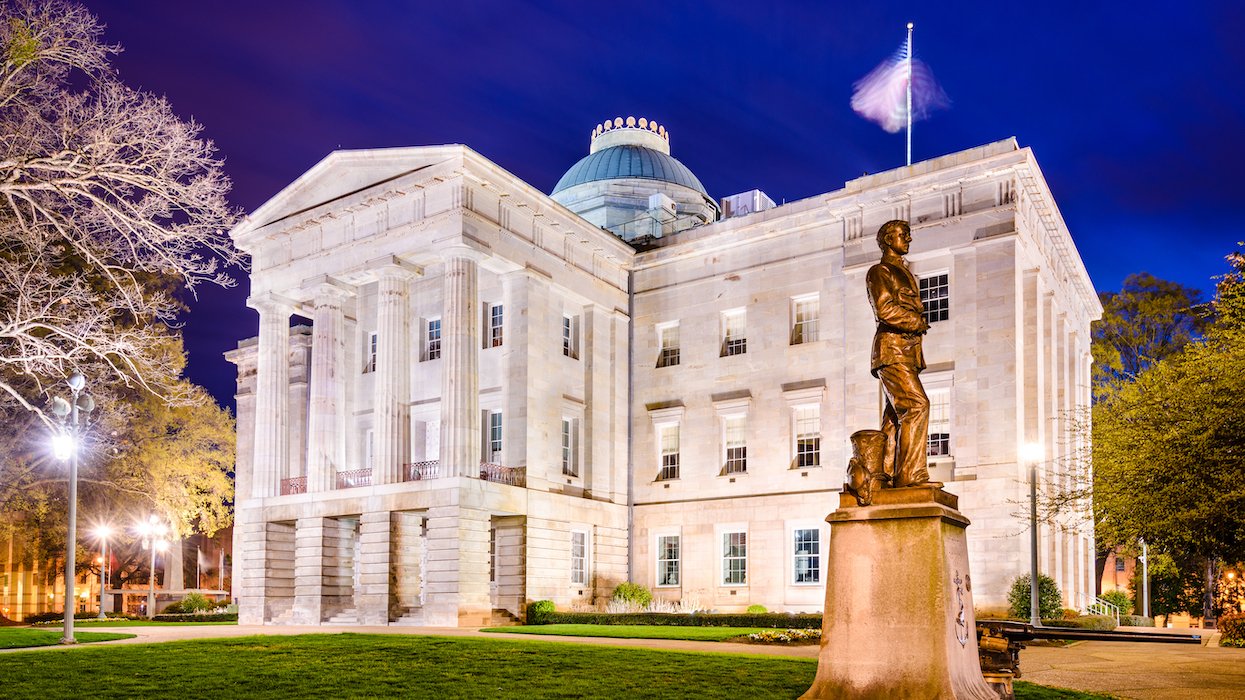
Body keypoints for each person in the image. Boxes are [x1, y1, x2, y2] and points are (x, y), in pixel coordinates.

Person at [866, 220, 932, 488]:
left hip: (907, 352)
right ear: (886, 240)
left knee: (895, 418)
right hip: (892, 349)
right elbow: (885, 310)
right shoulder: (880, 271)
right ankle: (911, 476)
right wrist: (916, 322)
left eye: (908, 235)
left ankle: (881, 474)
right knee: (917, 406)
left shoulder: (903, 272)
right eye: (902, 235)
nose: (908, 239)